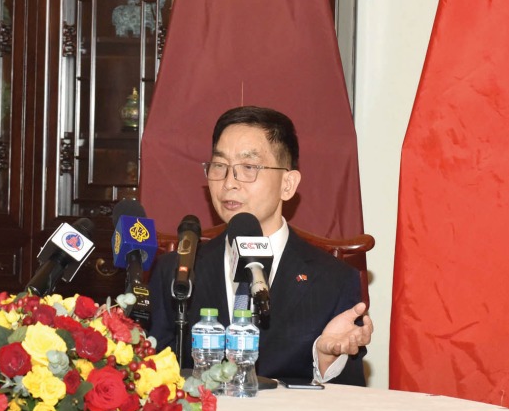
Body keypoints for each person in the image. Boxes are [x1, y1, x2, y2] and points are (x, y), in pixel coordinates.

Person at [148, 105, 373, 385]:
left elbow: (352, 398)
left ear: (287, 184)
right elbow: (152, 378)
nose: (229, 182)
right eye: (220, 166)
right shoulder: (178, 271)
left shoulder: (333, 280)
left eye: (248, 167)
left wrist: (326, 359)